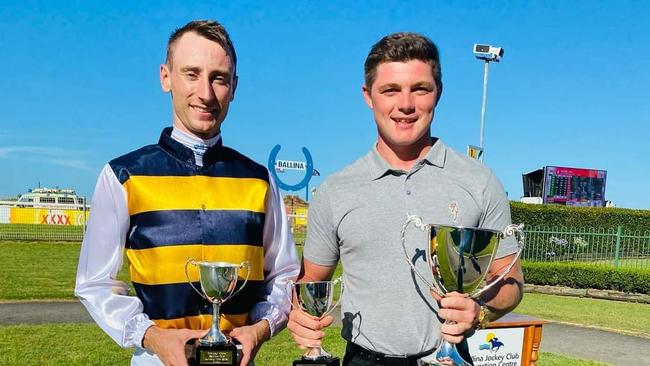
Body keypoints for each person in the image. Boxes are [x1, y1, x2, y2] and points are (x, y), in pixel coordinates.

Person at [287, 32, 524, 366]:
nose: (406, 105)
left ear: (438, 93)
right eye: (390, 90)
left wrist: (480, 311)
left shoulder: (479, 181)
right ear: (368, 96)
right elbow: (310, 283)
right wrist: (300, 315)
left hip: (450, 357)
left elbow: (511, 282)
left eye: (420, 89)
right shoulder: (335, 190)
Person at [75, 20, 300, 366]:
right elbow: (94, 283)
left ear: (234, 87)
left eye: (219, 78)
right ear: (166, 77)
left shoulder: (259, 180)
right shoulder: (123, 175)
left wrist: (262, 328)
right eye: (191, 74)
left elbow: (283, 273)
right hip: (156, 360)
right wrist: (152, 337)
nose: (206, 93)